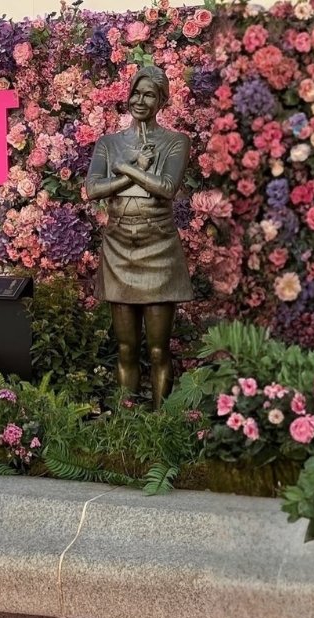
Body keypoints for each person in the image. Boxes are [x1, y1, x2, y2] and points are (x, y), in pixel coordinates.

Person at [84, 64, 194, 409]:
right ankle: (126, 422)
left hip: (158, 247)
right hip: (119, 247)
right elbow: (92, 189)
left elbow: (166, 188)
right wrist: (133, 170)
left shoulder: (176, 142)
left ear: (162, 100)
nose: (140, 100)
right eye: (136, 93)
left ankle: (162, 427)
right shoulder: (108, 143)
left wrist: (130, 167)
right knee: (126, 347)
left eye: (149, 95)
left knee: (159, 349)